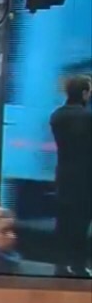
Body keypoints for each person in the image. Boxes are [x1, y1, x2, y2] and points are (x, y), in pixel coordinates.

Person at [49, 74, 92, 277]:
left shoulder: (57, 116)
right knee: (81, 222)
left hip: (64, 174)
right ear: (84, 93)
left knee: (64, 222)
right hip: (85, 176)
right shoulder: (87, 117)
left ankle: (61, 264)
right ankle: (78, 265)